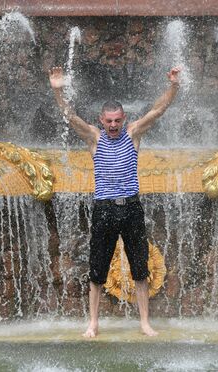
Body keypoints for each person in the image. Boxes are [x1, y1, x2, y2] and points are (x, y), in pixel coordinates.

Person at [49, 65, 181, 337]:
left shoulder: (133, 134)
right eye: (108, 121)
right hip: (104, 209)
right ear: (101, 120)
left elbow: (157, 111)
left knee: (140, 269)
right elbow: (70, 117)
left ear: (123, 119)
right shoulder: (94, 138)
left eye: (117, 121)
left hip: (131, 208)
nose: (112, 125)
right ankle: (93, 323)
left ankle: (145, 323)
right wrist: (58, 91)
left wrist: (173, 86)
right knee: (97, 270)